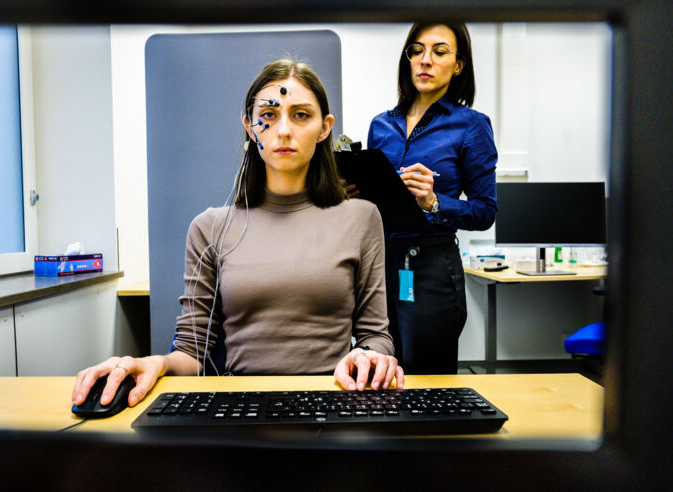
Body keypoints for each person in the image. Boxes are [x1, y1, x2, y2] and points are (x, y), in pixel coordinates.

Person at [72, 59, 404, 410]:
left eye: (301, 115)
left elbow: (375, 336)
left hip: (333, 403)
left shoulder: (361, 218)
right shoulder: (210, 227)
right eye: (269, 115)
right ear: (249, 126)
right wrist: (156, 363)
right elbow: (191, 352)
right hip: (241, 409)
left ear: (325, 127)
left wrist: (370, 356)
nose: (285, 130)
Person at [355, 23, 498, 374]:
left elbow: (485, 211)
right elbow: (376, 204)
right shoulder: (381, 125)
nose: (425, 60)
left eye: (439, 51)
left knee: (428, 378)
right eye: (417, 50)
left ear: (459, 64)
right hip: (382, 266)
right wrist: (356, 194)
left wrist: (435, 202)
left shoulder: (471, 126)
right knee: (380, 372)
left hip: (433, 269)